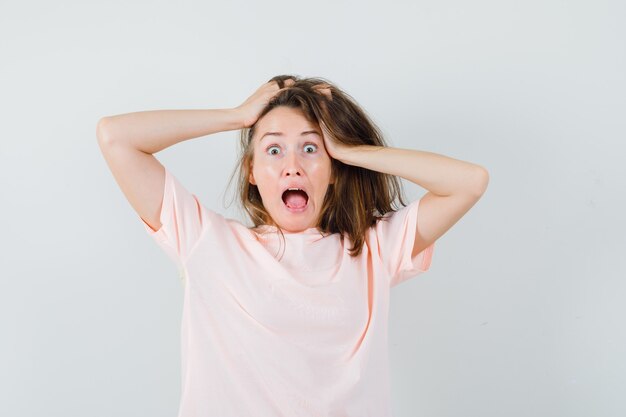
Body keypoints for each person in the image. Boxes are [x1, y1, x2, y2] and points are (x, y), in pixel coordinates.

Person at [96, 75, 489, 416]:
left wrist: (348, 150)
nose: (292, 165)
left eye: (310, 148)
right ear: (252, 171)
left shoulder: (373, 249)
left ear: (332, 170)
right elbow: (115, 137)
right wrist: (238, 116)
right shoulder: (206, 242)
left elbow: (469, 182)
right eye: (273, 149)